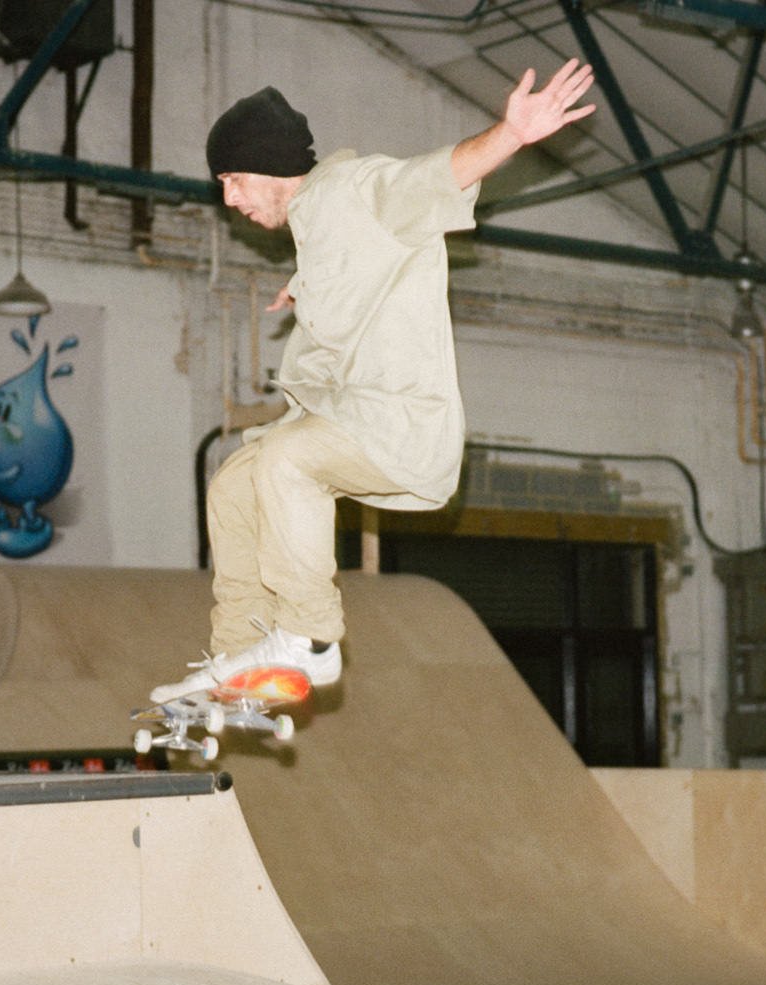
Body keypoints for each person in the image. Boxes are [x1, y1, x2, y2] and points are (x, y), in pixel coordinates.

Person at [152, 62, 597, 703]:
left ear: (271, 165)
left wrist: (512, 133)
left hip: (401, 428)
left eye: (234, 180)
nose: (230, 200)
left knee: (282, 461)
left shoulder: (358, 190)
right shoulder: (316, 223)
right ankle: (240, 655)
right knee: (232, 486)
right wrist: (304, 284)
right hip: (343, 421)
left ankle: (310, 640)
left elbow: (438, 176)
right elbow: (354, 263)